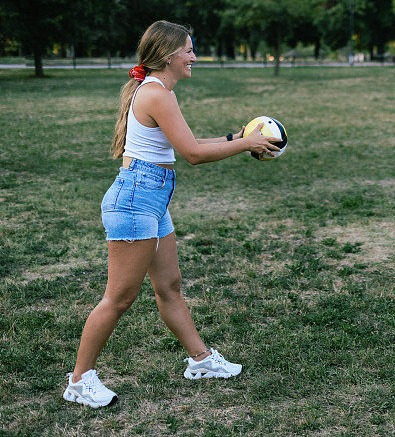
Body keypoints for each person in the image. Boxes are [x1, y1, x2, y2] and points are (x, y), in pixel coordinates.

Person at [63, 21, 280, 407]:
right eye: (189, 50)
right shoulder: (157, 94)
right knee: (119, 298)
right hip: (134, 201)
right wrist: (246, 142)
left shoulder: (157, 91)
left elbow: (189, 144)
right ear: (169, 56)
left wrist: (241, 140)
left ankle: (201, 360)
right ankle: (79, 380)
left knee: (169, 286)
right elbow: (194, 155)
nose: (194, 57)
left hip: (151, 199)